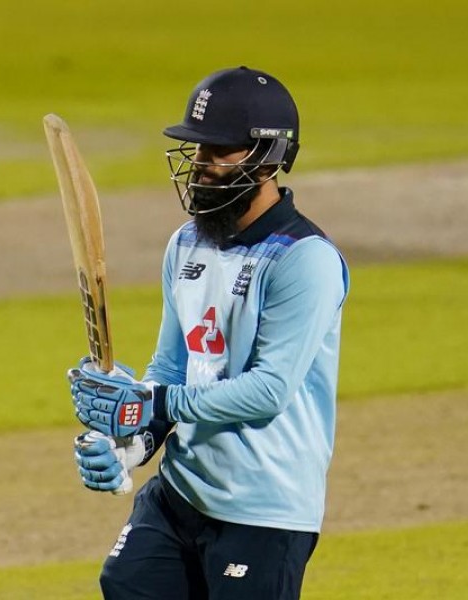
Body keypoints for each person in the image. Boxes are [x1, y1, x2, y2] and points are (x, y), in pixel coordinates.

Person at [68, 66, 350, 600]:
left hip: (264, 508)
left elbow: (269, 391)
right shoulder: (186, 244)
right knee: (126, 585)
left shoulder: (304, 260)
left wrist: (152, 402)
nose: (199, 167)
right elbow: (173, 368)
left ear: (267, 157)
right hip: (182, 491)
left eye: (216, 152)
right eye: (196, 151)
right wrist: (130, 443)